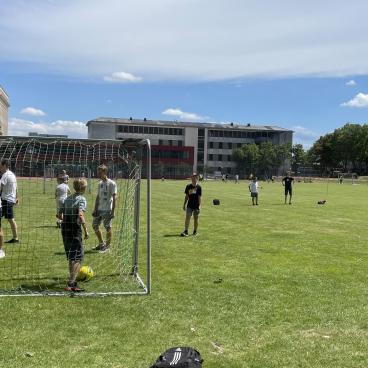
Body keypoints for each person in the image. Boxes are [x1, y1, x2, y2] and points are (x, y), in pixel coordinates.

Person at [59, 178, 89, 292]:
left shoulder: (67, 199)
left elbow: (58, 214)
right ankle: (72, 283)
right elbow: (81, 215)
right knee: (77, 256)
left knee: (71, 255)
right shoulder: (81, 199)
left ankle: (71, 280)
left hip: (64, 228)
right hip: (74, 229)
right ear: (83, 188)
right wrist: (86, 230)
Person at [92, 164, 117, 253]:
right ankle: (101, 244)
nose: (98, 173)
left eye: (100, 172)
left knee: (108, 227)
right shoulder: (100, 183)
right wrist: (95, 209)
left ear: (105, 172)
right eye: (97, 171)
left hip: (107, 210)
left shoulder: (112, 183)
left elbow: (114, 198)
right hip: (99, 209)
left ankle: (108, 247)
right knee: (95, 225)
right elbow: (98, 197)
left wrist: (113, 211)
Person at [0, 159, 19, 243]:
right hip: (10, 200)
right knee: (10, 219)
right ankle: (15, 238)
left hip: (6, 200)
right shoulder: (12, 174)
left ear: (4, 165)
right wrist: (17, 197)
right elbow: (16, 187)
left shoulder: (5, 175)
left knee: (11, 219)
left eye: (0, 165)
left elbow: (0, 186)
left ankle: (16, 238)